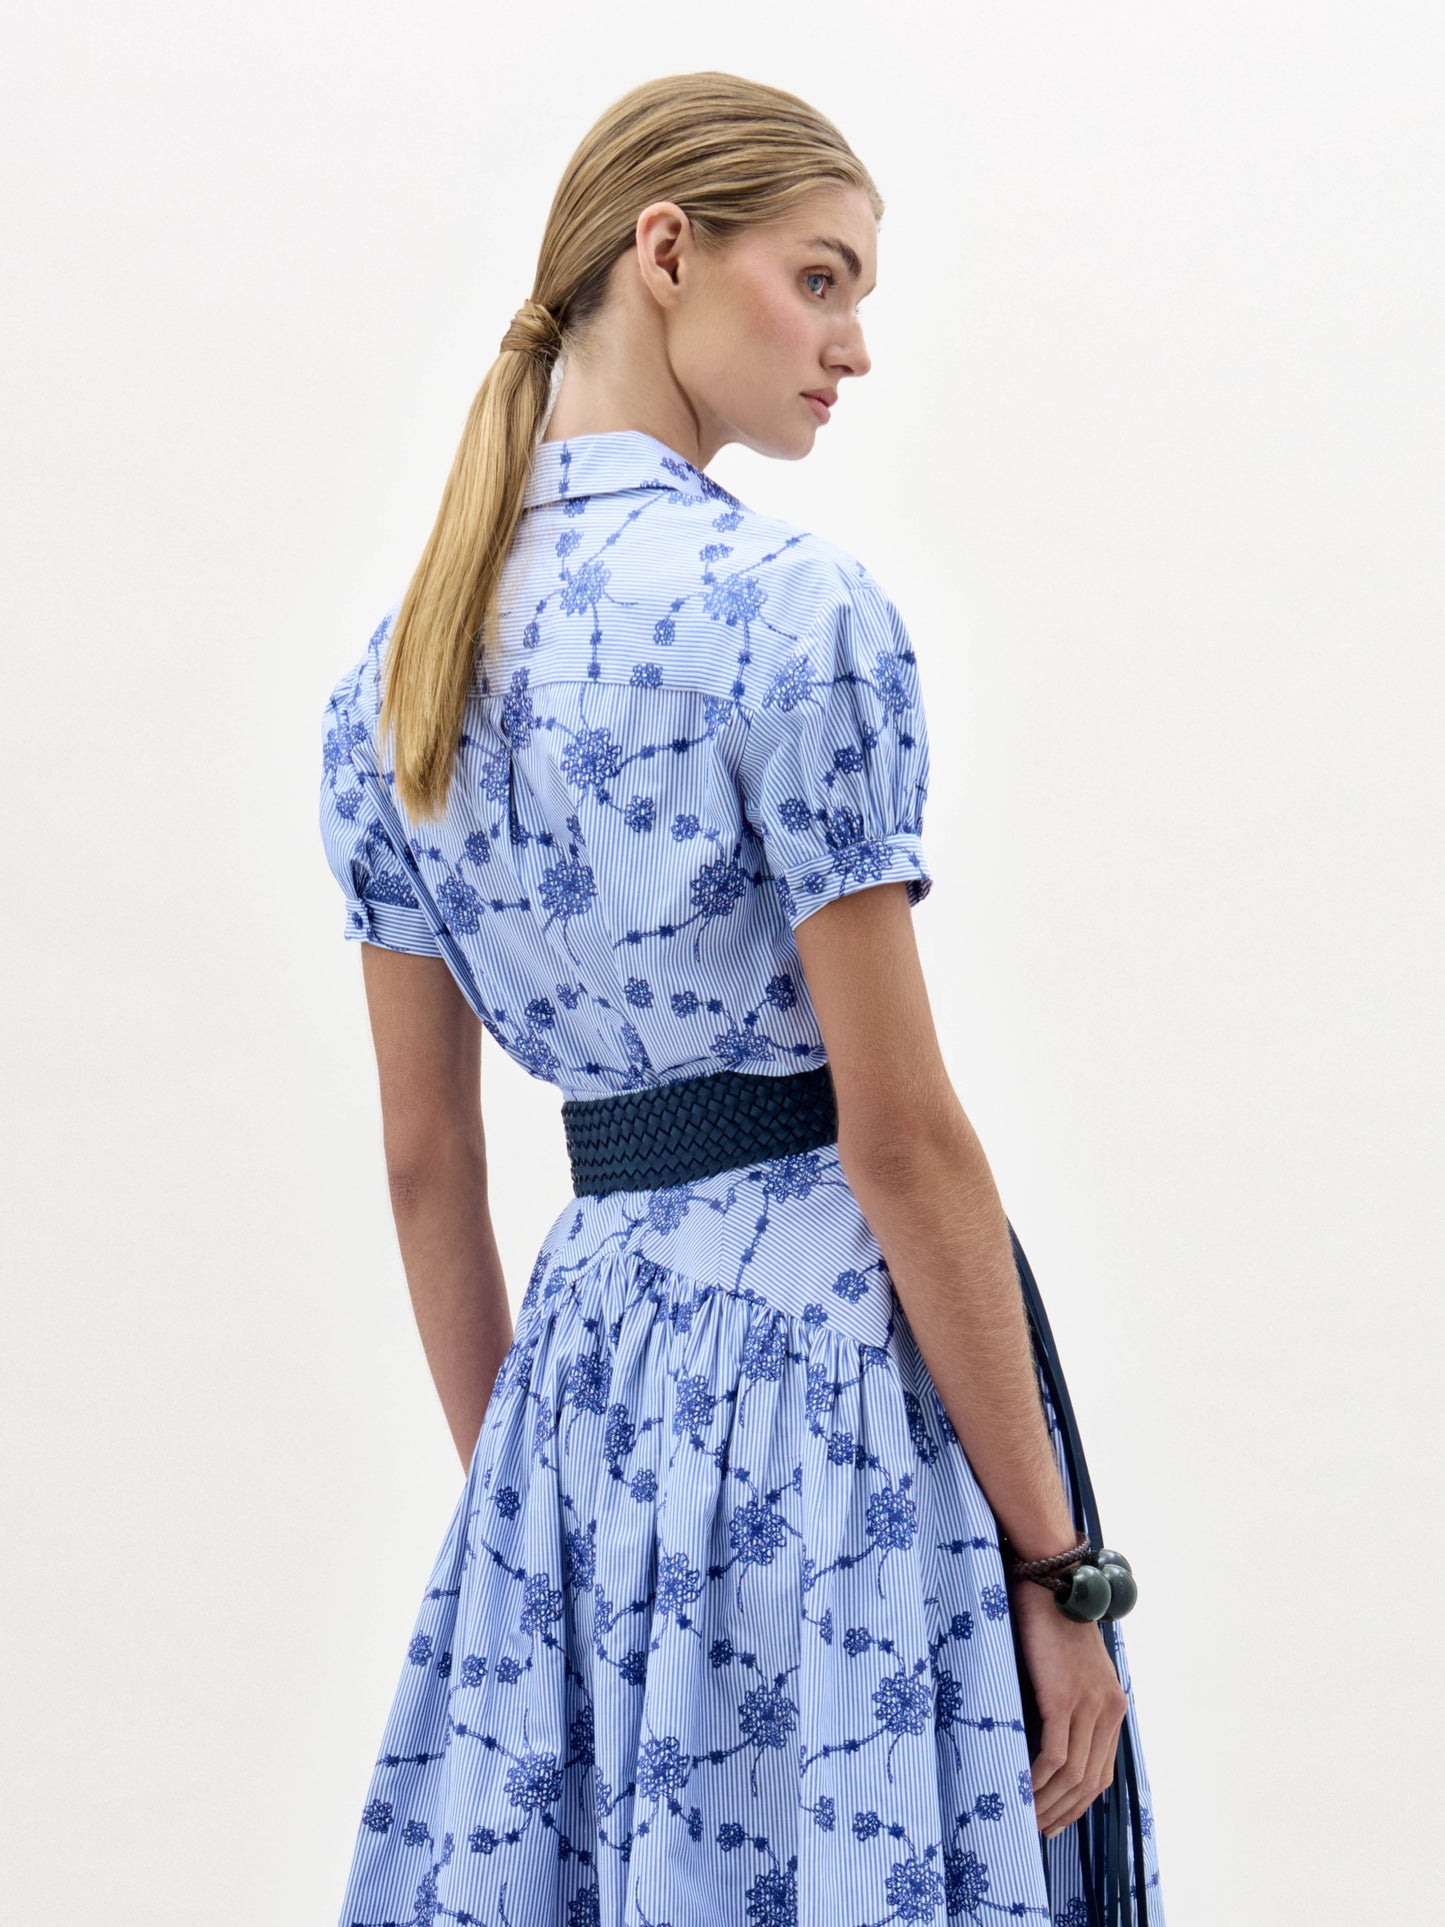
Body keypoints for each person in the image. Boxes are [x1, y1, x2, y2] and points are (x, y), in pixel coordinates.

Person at [318, 70, 1166, 1927]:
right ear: (667, 249)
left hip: (582, 1375)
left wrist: (534, 1524)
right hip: (825, 1383)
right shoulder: (796, 616)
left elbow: (424, 1168)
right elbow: (901, 1137)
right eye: (824, 279)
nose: (851, 345)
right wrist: (1058, 1573)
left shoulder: (400, 678)